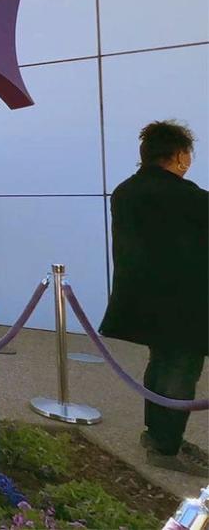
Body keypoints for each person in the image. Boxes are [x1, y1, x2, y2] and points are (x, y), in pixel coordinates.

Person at [100, 120, 207, 476]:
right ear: (178, 156)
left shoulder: (125, 191)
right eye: (187, 153)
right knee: (180, 368)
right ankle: (166, 447)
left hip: (141, 298)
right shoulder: (184, 195)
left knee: (160, 363)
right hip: (184, 302)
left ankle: (157, 434)